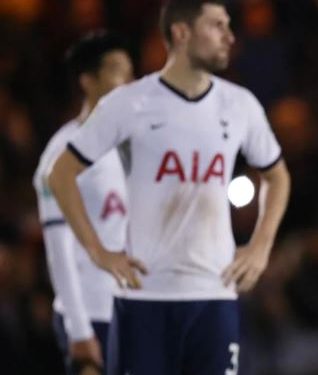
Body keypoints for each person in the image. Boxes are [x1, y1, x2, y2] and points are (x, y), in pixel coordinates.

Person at [48, 1, 291, 374]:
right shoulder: (130, 103)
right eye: (217, 26)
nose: (229, 36)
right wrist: (99, 252)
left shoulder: (239, 104)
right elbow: (61, 174)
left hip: (214, 293)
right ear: (181, 33)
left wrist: (261, 246)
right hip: (145, 296)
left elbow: (277, 175)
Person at [33, 30, 133, 375]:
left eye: (131, 72)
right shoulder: (61, 154)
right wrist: (79, 329)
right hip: (89, 313)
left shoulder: (133, 147)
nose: (129, 82)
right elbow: (57, 247)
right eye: (118, 71)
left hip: (131, 309)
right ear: (88, 81)